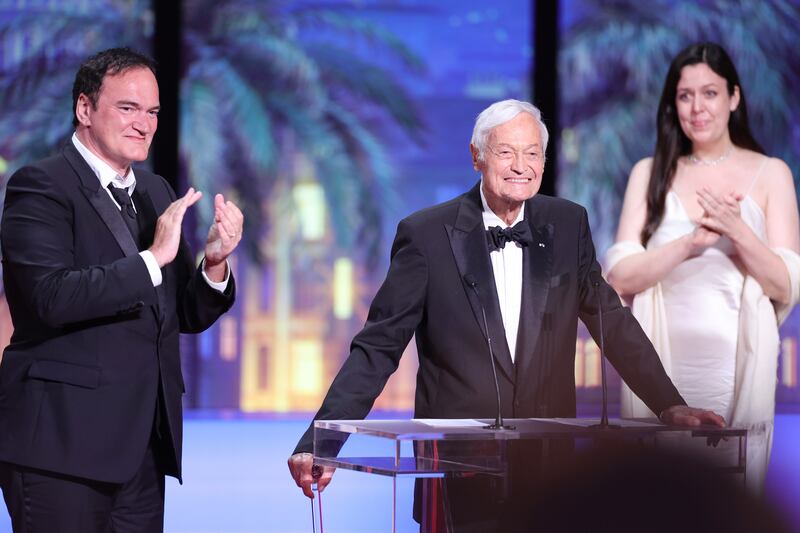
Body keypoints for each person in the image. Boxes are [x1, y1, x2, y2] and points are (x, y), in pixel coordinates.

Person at [288, 99, 724, 530]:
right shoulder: (425, 235)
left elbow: (611, 318)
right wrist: (321, 441)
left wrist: (669, 404)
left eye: (532, 153)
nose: (521, 165)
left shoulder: (567, 223)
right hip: (456, 474)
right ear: (477, 157)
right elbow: (377, 349)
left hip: (548, 474)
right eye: (506, 152)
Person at [0, 48, 243, 532]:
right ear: (85, 109)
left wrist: (214, 262)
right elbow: (49, 297)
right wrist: (152, 258)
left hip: (143, 452)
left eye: (152, 112)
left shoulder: (155, 190)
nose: (144, 125)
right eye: (128, 108)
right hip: (60, 448)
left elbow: (178, 313)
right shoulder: (41, 186)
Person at [606, 42, 800, 493]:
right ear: (673, 104)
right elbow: (620, 275)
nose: (697, 107)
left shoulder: (771, 174)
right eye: (685, 95)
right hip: (659, 366)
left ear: (733, 98)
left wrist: (738, 230)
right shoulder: (650, 171)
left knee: (726, 501)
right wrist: (690, 243)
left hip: (735, 368)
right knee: (657, 500)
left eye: (710, 93)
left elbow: (787, 284)